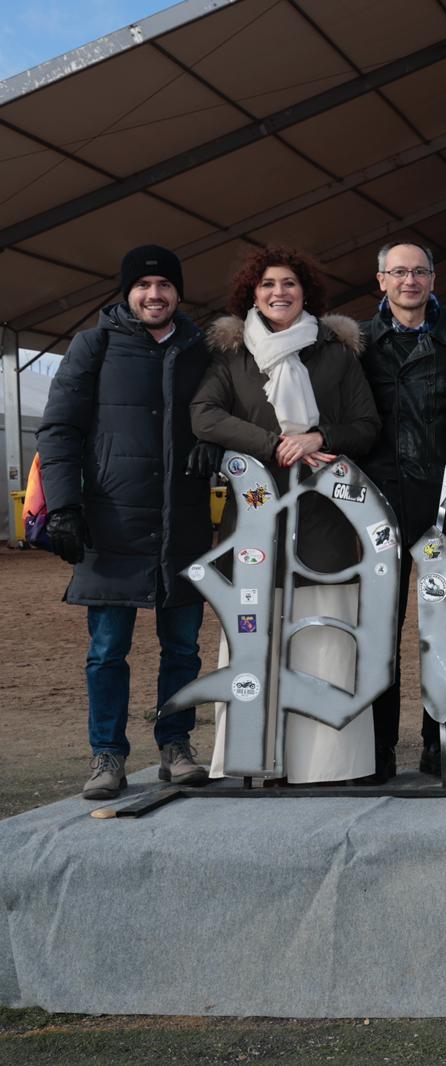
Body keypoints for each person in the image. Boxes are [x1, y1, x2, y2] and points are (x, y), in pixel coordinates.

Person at [192, 246, 382, 784]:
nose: (280, 292)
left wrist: (320, 437)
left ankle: (327, 764)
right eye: (269, 284)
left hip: (323, 517)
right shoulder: (233, 357)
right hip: (255, 518)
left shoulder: (336, 356)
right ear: (253, 294)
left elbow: (366, 425)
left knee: (324, 639)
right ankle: (253, 756)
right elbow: (204, 415)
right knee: (255, 636)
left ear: (306, 293)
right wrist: (272, 444)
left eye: (290, 284)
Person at [37, 245, 215, 800]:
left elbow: (224, 412)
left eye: (164, 285)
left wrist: (213, 443)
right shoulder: (94, 346)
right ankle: (107, 754)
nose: (154, 295)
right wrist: (64, 506)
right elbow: (59, 429)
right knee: (107, 650)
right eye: (143, 286)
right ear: (128, 293)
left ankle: (176, 745)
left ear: (178, 293)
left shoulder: (201, 349)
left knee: (182, 648)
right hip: (111, 522)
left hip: (183, 523)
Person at [358, 241, 446, 782]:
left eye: (419, 272)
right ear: (381, 280)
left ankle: (440, 741)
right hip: (379, 500)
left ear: (434, 278)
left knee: (442, 623)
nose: (409, 281)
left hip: (444, 499)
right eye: (398, 272)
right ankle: (378, 746)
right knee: (380, 624)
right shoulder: (356, 343)